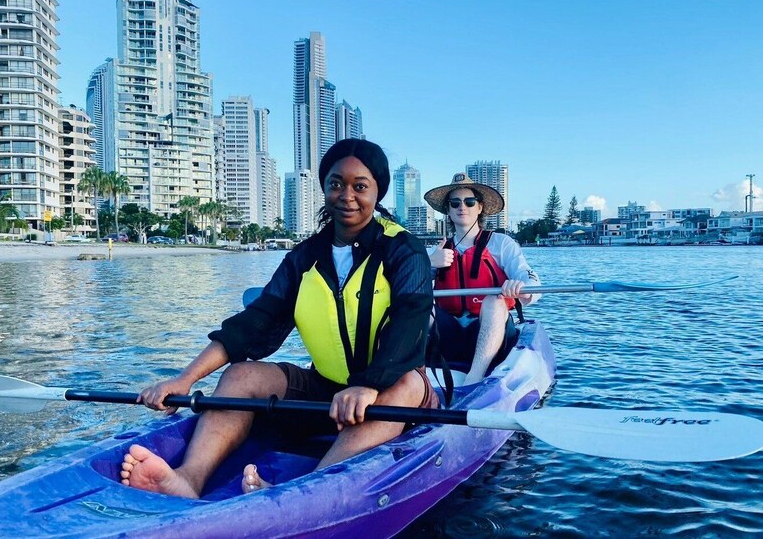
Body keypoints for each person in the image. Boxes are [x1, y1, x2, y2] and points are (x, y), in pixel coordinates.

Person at [120, 138, 438, 498]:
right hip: (326, 392)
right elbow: (254, 323)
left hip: (391, 393)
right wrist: (184, 379)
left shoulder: (404, 249)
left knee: (408, 383)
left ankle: (307, 491)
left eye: (360, 186)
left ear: (377, 192)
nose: (347, 195)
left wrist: (369, 385)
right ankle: (188, 479)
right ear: (324, 188)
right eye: (336, 184)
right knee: (241, 374)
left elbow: (410, 322)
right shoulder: (304, 258)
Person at [423, 172, 541, 385]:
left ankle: (473, 380)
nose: (462, 207)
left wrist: (522, 287)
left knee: (494, 301)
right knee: (419, 303)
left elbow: (530, 278)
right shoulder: (437, 251)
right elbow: (407, 286)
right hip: (449, 333)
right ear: (448, 210)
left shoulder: (501, 244)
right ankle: (412, 375)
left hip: (490, 331)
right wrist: (428, 264)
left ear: (479, 208)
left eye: (469, 202)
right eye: (455, 203)